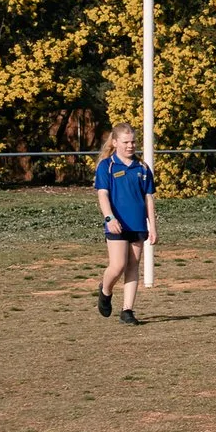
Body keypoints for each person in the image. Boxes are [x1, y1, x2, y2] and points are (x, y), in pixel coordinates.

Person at [93, 123, 155, 325]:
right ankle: (105, 290)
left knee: (133, 266)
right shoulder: (107, 166)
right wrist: (109, 218)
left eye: (133, 141)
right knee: (118, 265)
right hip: (116, 225)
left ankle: (127, 310)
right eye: (126, 142)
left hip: (137, 225)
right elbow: (102, 195)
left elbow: (148, 199)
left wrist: (152, 226)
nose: (130, 145)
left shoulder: (143, 168)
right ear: (115, 142)